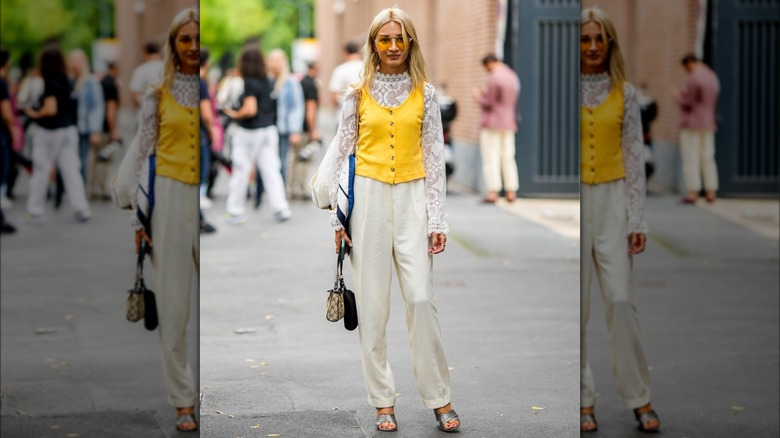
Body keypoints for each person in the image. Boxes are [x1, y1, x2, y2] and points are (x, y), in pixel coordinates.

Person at [312, 7, 459, 433]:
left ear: (410, 43)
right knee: (374, 308)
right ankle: (382, 401)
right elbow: (342, 153)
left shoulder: (426, 93)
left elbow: (434, 158)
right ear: (374, 45)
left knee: (420, 301)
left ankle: (439, 397)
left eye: (400, 39)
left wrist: (438, 218)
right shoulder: (356, 92)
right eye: (384, 39)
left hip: (413, 198)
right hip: (368, 202)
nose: (393, 46)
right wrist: (339, 221)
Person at [111, 7, 200, 432]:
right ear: (173, 45)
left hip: (207, 199)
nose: (193, 46)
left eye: (198, 39)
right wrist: (138, 222)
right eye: (185, 39)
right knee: (175, 303)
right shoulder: (157, 95)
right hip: (168, 197)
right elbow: (142, 153)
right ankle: (183, 399)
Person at [579, 6, 659, 433]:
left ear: (610, 43)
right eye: (585, 38)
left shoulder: (625, 93)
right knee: (580, 308)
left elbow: (633, 157)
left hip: (612, 199)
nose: (592, 46)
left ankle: (638, 395)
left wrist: (637, 219)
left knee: (621, 301)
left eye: (599, 38)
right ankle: (582, 399)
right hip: (577, 203)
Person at [221, 47, 291, 224]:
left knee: (241, 170)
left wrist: (233, 114)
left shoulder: (249, 82)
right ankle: (281, 207)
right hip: (268, 130)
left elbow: (250, 109)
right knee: (271, 170)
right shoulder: (268, 81)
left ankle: (235, 210)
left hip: (248, 132)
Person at [23, 47, 91, 224]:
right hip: (68, 130)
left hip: (48, 132)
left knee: (41, 170)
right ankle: (81, 207)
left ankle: (35, 210)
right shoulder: (67, 80)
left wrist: (34, 114)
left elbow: (50, 109)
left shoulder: (48, 82)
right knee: (71, 170)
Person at [472, 53, 520, 203]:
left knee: (491, 156)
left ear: (490, 63)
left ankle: (493, 191)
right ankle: (511, 191)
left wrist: (478, 96)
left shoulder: (494, 77)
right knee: (508, 156)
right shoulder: (512, 76)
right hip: (509, 122)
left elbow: (489, 102)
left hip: (493, 122)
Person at [673, 53, 720, 204]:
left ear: (689, 63)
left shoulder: (693, 77)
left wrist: (677, 96)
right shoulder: (712, 76)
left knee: (691, 157)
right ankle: (710, 190)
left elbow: (688, 103)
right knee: (708, 156)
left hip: (692, 122)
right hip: (708, 122)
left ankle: (692, 191)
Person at [68, 49, 105, 185]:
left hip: (84, 129)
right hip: (69, 127)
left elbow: (97, 107)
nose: (75, 64)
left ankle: (81, 189)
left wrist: (95, 130)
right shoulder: (69, 81)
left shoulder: (90, 82)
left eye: (78, 61)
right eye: (73, 61)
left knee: (83, 161)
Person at [267, 48, 303, 185]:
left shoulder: (291, 82)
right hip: (267, 126)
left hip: (283, 127)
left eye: (278, 60)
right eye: (273, 60)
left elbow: (297, 107)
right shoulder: (267, 81)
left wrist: (295, 130)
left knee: (282, 160)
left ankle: (281, 189)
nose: (275, 64)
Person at [89, 60, 121, 200]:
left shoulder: (100, 83)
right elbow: (111, 109)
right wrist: (113, 129)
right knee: (105, 159)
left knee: (95, 159)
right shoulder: (111, 84)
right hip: (105, 128)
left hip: (96, 127)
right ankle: (102, 189)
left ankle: (92, 188)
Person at [289, 61, 321, 199]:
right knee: (305, 158)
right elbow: (311, 109)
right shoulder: (311, 85)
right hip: (305, 128)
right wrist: (313, 129)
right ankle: (301, 189)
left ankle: (291, 188)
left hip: (296, 126)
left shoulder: (300, 82)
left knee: (294, 158)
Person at [199, 47, 217, 233]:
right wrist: (212, 130)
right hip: (200, 135)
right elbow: (206, 113)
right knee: (201, 178)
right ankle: (198, 217)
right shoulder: (201, 83)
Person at [1, 47, 18, 234]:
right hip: (1, 135)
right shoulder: (2, 83)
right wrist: (12, 130)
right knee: (2, 174)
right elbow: (6, 113)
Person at [129, 41, 164, 109]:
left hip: (145, 111)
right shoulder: (168, 68)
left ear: (145, 53)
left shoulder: (140, 70)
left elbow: (134, 96)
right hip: (166, 112)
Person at [328, 41, 363, 108]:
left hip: (344, 112)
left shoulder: (340, 70)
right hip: (365, 112)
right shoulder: (368, 68)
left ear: (345, 53)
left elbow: (334, 97)